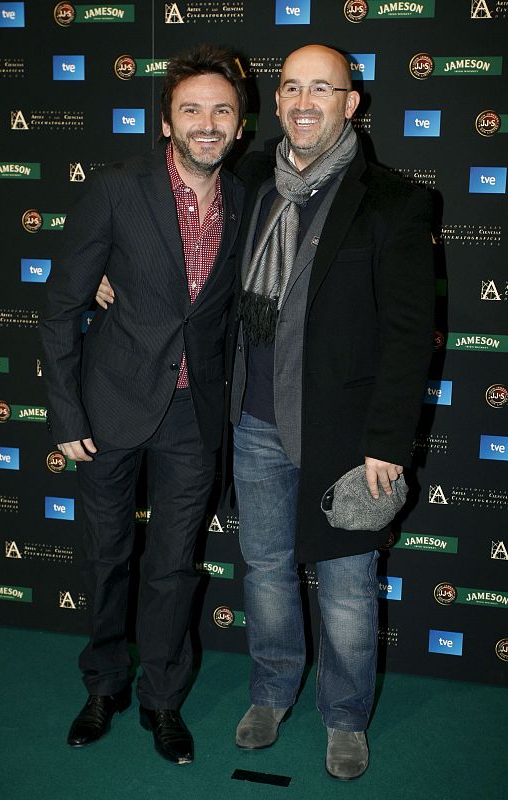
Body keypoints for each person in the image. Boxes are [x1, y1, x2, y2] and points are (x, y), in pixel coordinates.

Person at [228, 44, 434, 780]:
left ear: (351, 103)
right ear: (277, 101)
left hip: (348, 436)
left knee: (347, 586)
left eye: (323, 88)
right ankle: (271, 690)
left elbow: (408, 334)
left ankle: (345, 716)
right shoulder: (251, 180)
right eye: (292, 88)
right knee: (266, 572)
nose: (304, 102)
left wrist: (388, 442)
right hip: (253, 422)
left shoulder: (395, 202)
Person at [39, 44, 245, 765]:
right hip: (109, 407)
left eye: (222, 110)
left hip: (195, 413)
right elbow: (60, 307)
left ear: (240, 123)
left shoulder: (247, 198)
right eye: (192, 109)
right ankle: (104, 685)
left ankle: (162, 699)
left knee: (173, 566)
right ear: (166, 121)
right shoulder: (116, 189)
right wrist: (66, 415)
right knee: (107, 559)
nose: (207, 123)